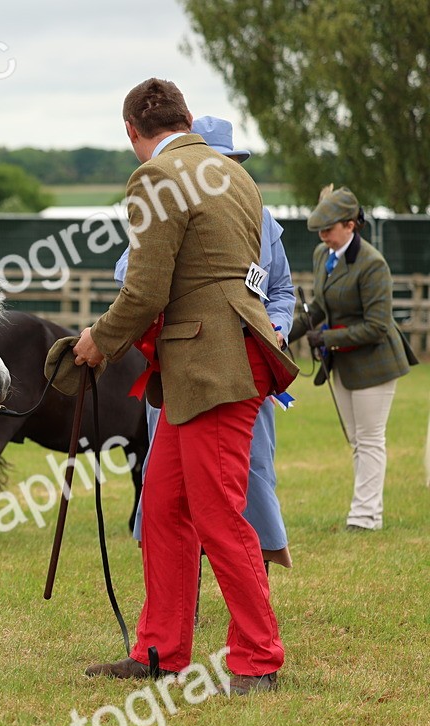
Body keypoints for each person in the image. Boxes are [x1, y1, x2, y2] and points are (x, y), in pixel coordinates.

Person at [71, 78, 298, 695]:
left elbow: (144, 289)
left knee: (219, 514)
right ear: (188, 118)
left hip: (213, 371)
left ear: (130, 133)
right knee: (166, 506)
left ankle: (259, 656)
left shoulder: (155, 177)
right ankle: (160, 650)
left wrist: (98, 340)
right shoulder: (236, 177)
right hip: (216, 366)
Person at [114, 116, 295, 569]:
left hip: (247, 361)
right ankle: (185, 581)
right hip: (182, 365)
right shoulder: (169, 205)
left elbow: (283, 291)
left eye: (228, 162)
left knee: (253, 472)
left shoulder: (262, 216)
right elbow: (127, 272)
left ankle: (258, 570)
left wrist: (275, 327)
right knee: (171, 485)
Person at [289, 186, 417, 531]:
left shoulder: (373, 264)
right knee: (357, 440)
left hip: (376, 362)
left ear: (350, 225)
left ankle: (364, 517)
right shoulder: (322, 255)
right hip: (343, 362)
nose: (322, 236)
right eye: (320, 230)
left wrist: (326, 337)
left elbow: (377, 326)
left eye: (328, 230)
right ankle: (368, 512)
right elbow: (318, 308)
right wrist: (285, 334)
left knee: (371, 439)